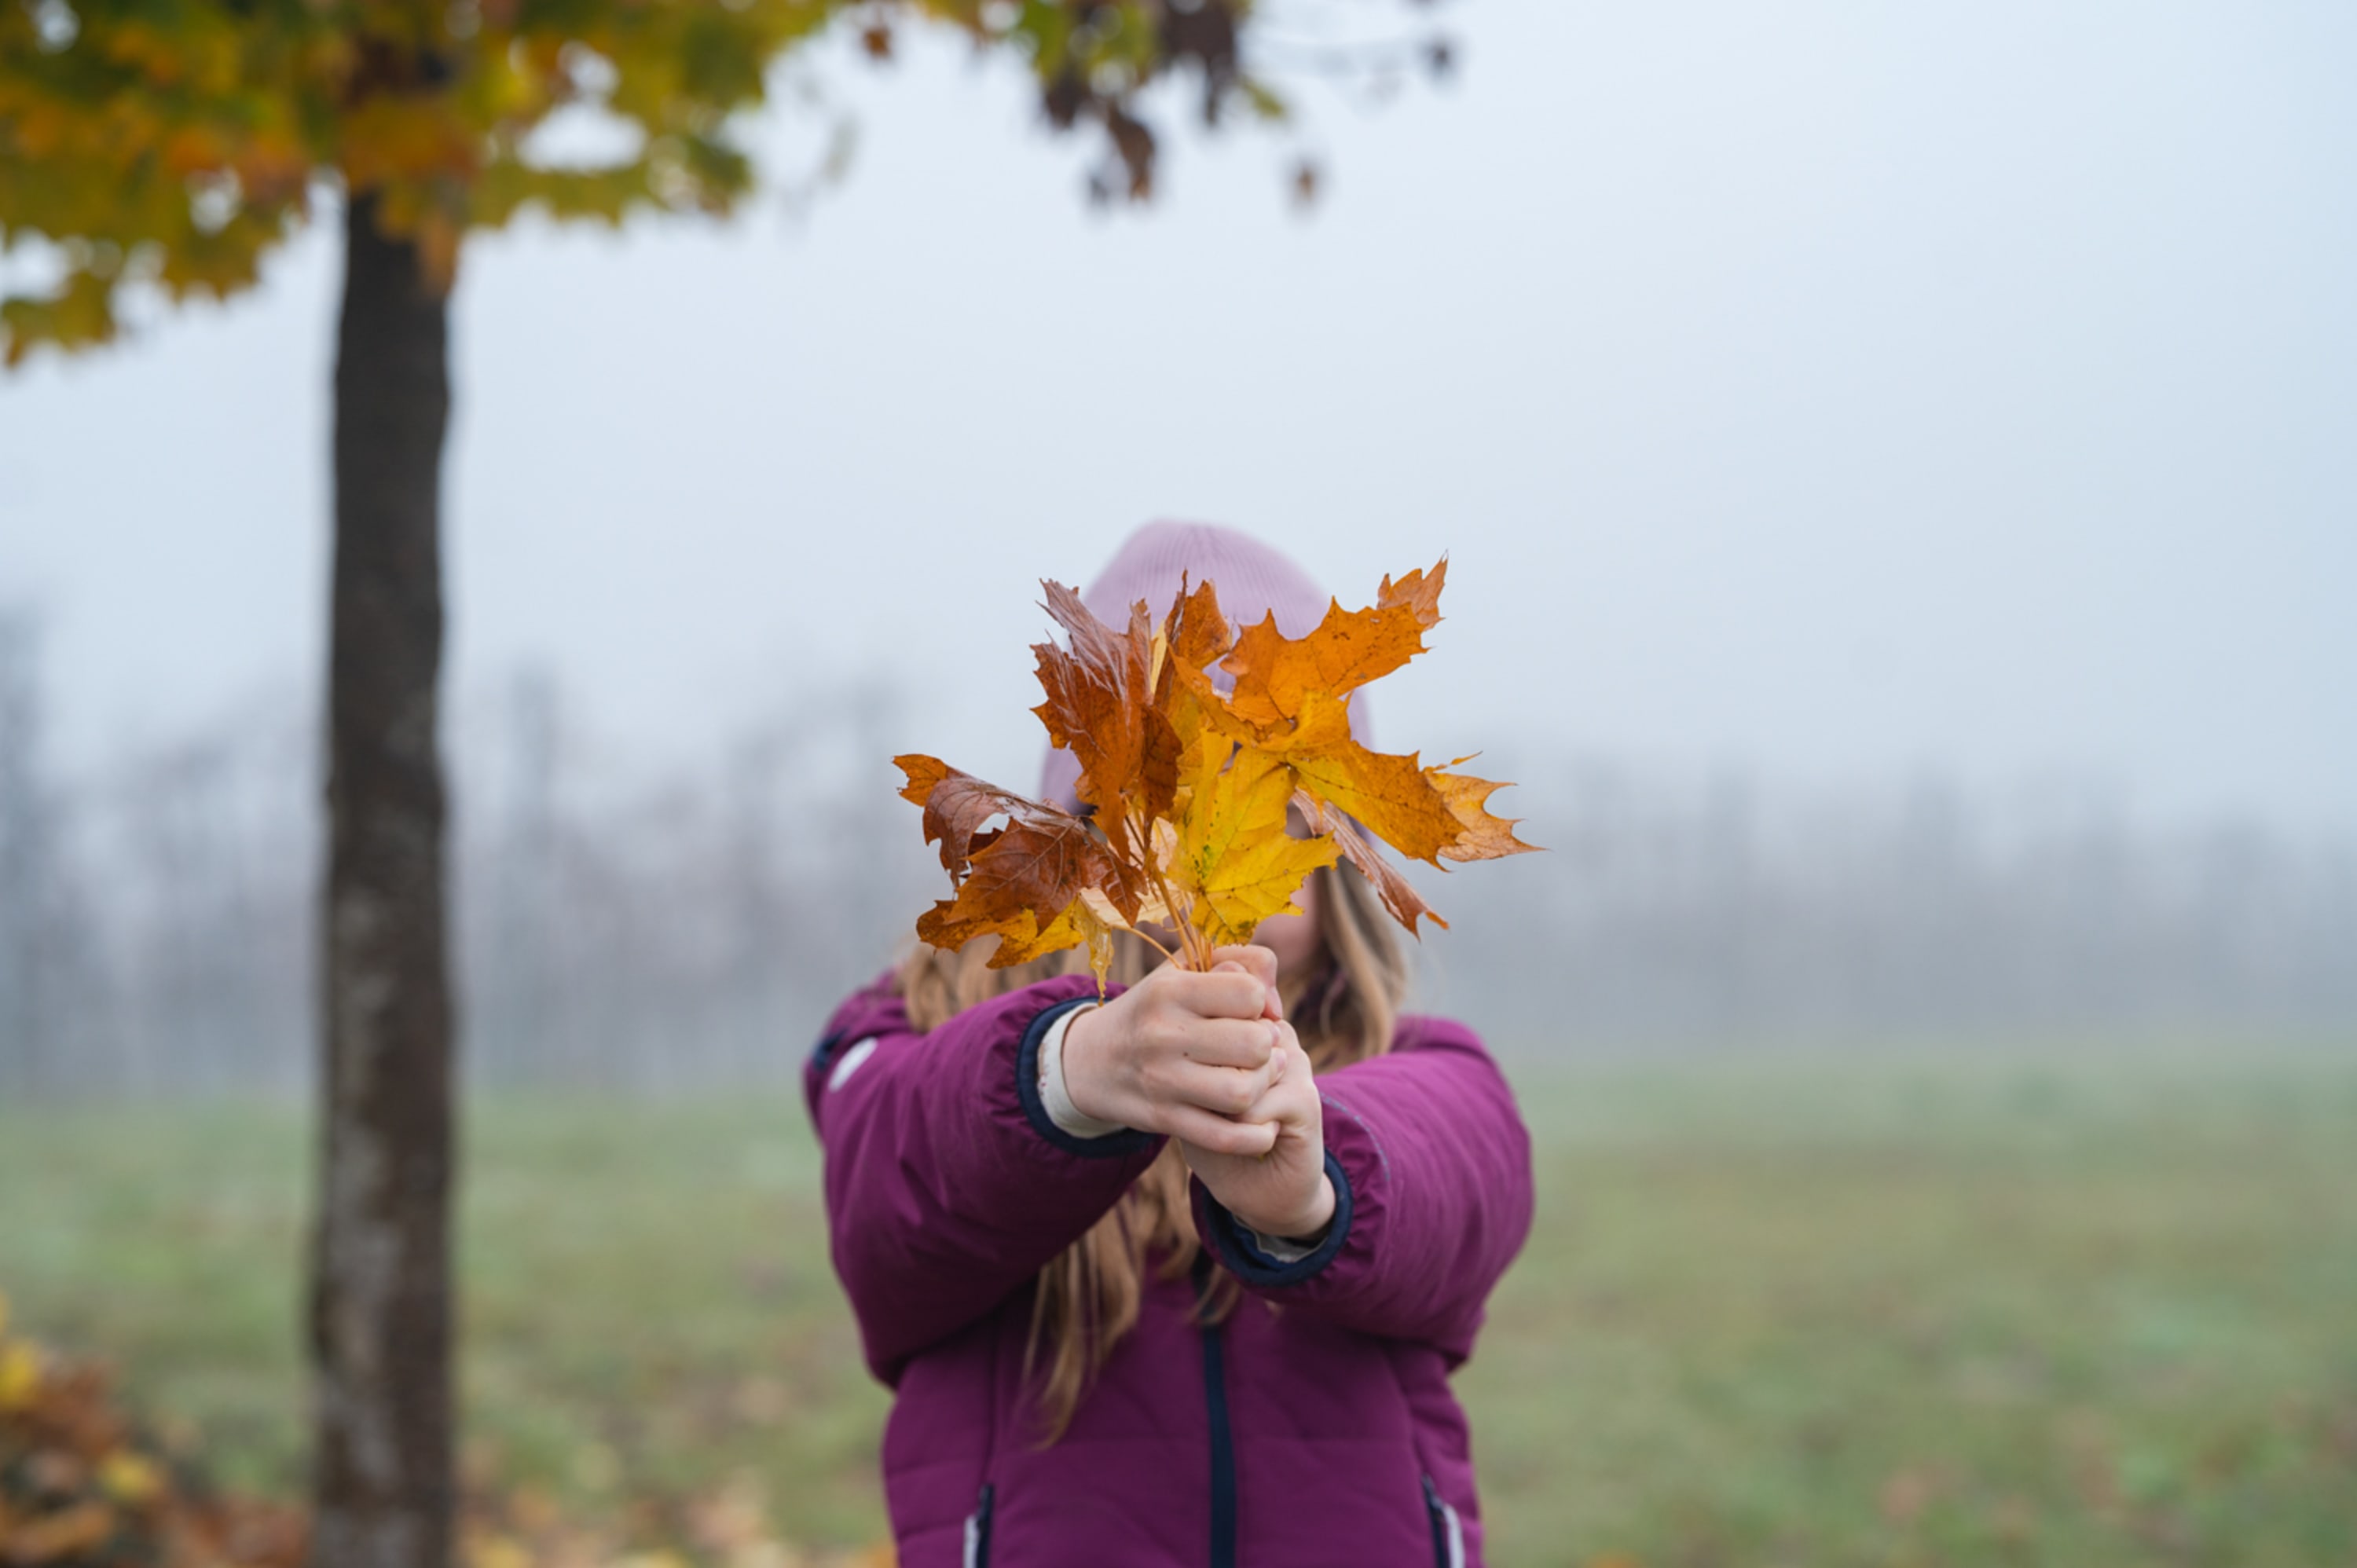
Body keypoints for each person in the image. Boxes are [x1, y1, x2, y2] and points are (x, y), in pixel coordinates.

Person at [805, 522, 1534, 1567]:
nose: (1202, 871)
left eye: (1274, 813)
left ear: (1343, 859)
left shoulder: (1418, 1069)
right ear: (1074, 835)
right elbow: (887, 1195)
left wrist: (1311, 1192)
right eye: (1162, 805)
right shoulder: (913, 1039)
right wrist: (1067, 1075)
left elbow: (1462, 1170)